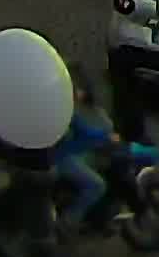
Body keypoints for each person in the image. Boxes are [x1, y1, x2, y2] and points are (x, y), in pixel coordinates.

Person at [52, 90, 122, 232]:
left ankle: (99, 216)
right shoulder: (59, 113)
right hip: (61, 159)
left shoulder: (61, 109)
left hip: (68, 154)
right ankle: (67, 221)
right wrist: (106, 137)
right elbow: (84, 133)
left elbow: (83, 131)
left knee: (100, 164)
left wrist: (104, 136)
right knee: (97, 185)